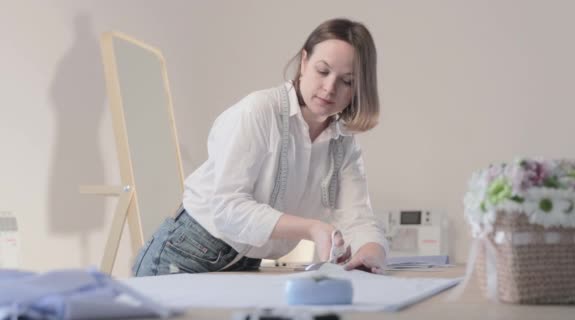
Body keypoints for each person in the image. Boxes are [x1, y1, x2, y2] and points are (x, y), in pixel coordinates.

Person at [132, 18, 388, 276]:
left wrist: (371, 252)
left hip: (246, 263)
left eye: (347, 81)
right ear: (303, 62)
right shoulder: (259, 111)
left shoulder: (343, 143)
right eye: (323, 71)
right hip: (186, 251)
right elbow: (228, 208)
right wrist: (312, 228)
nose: (330, 88)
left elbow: (358, 217)